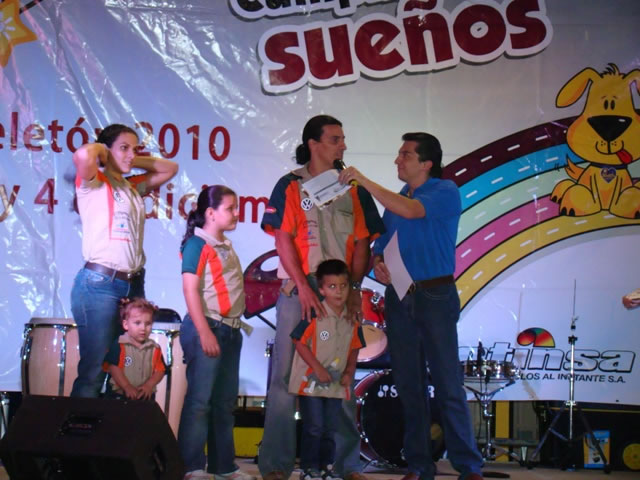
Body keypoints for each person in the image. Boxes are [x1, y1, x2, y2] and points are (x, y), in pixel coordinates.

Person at [338, 132, 484, 480]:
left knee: (447, 382)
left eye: (405, 155)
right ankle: (419, 465)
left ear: (427, 163)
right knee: (408, 384)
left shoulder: (444, 191)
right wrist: (377, 264)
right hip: (399, 295)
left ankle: (468, 466)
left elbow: (412, 212)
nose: (398, 160)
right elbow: (382, 245)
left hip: (434, 295)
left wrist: (364, 181)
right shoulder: (401, 196)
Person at [259, 115, 384, 480]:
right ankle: (277, 464)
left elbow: (362, 242)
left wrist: (354, 290)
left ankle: (347, 465)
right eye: (335, 139)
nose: (343, 145)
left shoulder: (354, 189)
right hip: (298, 288)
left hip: (340, 292)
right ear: (313, 144)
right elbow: (282, 237)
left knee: (341, 376)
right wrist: (302, 285)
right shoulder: (290, 185)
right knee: (284, 378)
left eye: (343, 139)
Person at [70, 123, 178, 398]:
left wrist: (128, 158)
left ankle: (110, 425)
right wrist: (107, 154)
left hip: (133, 283)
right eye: (124, 148)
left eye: (135, 149)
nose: (132, 154)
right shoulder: (94, 182)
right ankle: (80, 426)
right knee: (94, 369)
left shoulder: (131, 186)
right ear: (106, 151)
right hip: (100, 284)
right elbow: (83, 155)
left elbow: (169, 168)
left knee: (124, 368)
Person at [177, 185, 256, 480]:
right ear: (210, 213)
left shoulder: (224, 245)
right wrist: (204, 332)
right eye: (230, 208)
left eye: (237, 207)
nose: (236, 214)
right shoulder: (198, 244)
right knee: (200, 402)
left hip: (230, 330)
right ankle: (191, 466)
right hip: (208, 326)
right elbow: (190, 289)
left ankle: (223, 466)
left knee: (224, 403)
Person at [289, 259, 364, 480]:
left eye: (343, 286)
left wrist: (349, 371)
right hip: (311, 382)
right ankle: (309, 468)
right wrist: (317, 368)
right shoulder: (315, 313)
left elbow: (355, 347)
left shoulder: (352, 318)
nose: (338, 292)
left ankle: (326, 467)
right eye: (332, 286)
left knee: (331, 428)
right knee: (314, 427)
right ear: (321, 289)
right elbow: (298, 341)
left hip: (336, 384)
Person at [103, 297, 166, 400]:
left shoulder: (155, 348)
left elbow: (160, 370)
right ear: (126, 324)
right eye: (137, 323)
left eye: (148, 324)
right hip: (119, 396)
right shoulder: (119, 344)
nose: (143, 328)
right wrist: (126, 386)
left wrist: (149, 385)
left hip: (145, 396)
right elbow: (114, 368)